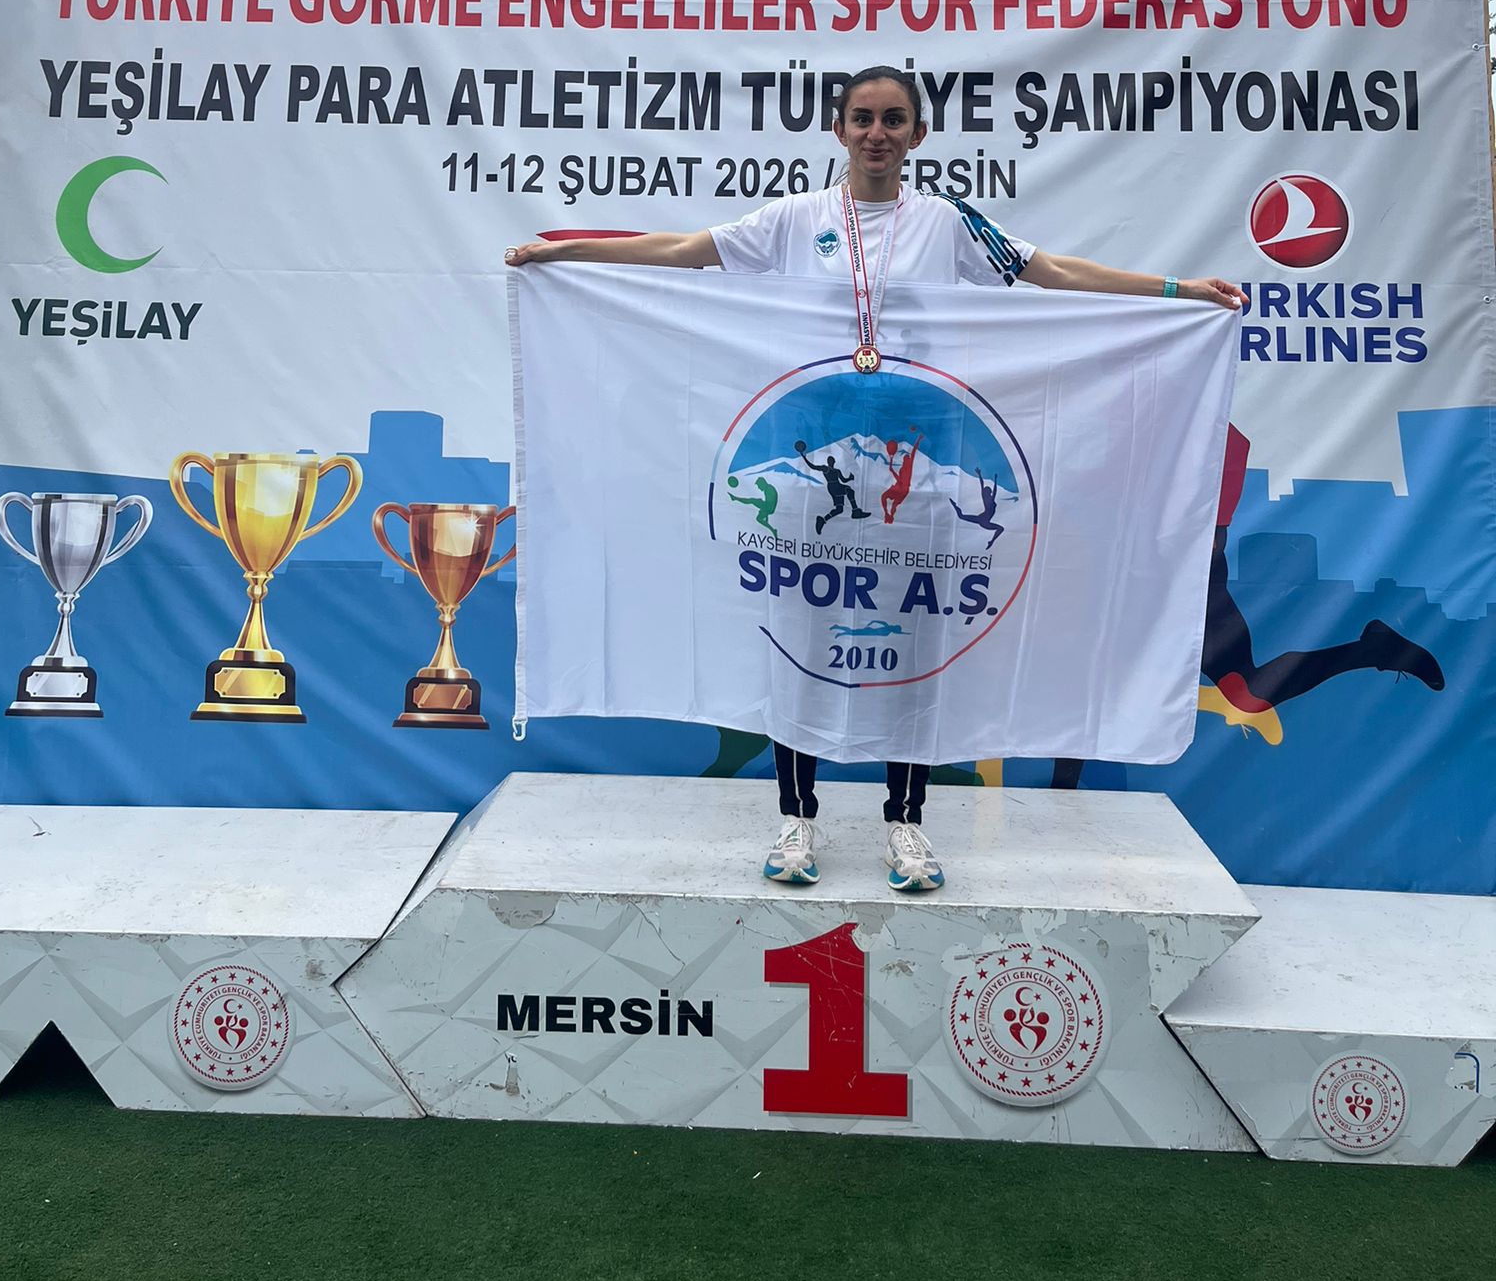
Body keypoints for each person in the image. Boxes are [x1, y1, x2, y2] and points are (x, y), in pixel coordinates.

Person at [506, 65, 1243, 894]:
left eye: (894, 119)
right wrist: (562, 254)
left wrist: (1180, 292)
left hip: (918, 480)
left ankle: (906, 823)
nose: (877, 134)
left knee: (915, 653)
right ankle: (796, 818)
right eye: (862, 118)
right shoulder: (793, 220)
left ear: (918, 134)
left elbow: (1053, 274)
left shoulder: (948, 223)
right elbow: (681, 252)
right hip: (815, 477)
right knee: (801, 648)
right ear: (839, 128)